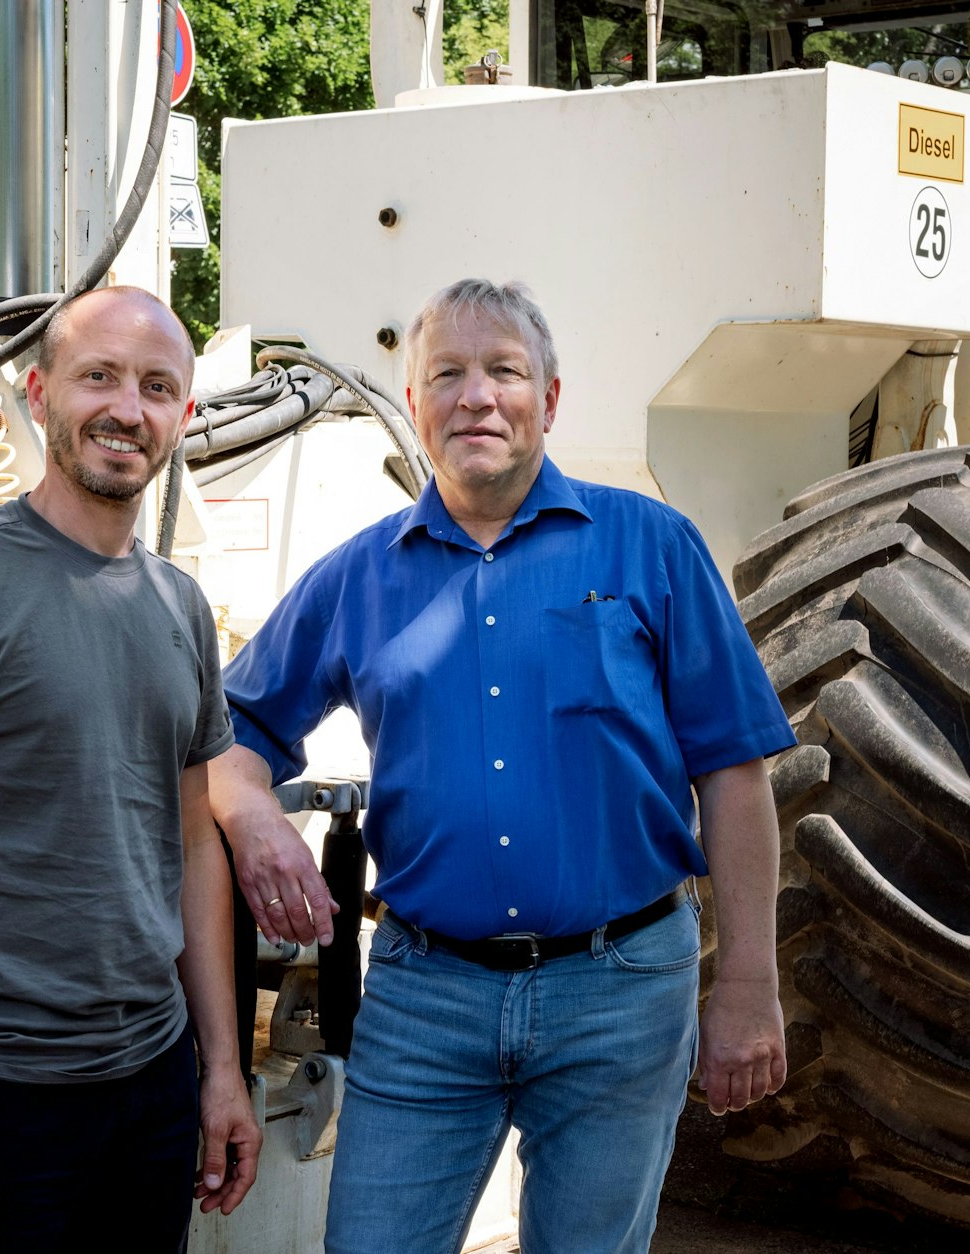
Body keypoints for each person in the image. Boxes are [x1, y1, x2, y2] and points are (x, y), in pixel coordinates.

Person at [209, 278, 793, 1252]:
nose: (475, 395)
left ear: (549, 401)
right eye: (446, 374)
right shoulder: (356, 576)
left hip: (619, 988)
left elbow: (733, 774)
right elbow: (228, 733)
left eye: (503, 372)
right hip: (422, 992)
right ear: (413, 404)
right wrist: (254, 816)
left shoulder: (652, 546)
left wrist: (746, 980)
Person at [0, 285, 260, 1252]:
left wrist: (220, 1068)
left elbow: (193, 844)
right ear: (37, 393)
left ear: (184, 417)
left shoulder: (180, 607)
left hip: (149, 1087)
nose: (126, 408)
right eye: (97, 376)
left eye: (157, 387)